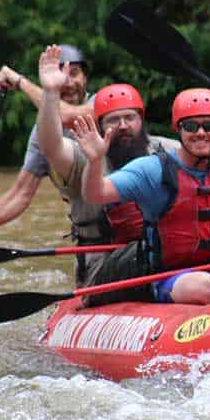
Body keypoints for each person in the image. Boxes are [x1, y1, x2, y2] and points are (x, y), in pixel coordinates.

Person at [76, 88, 210, 305]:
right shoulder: (153, 170)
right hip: (174, 278)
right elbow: (95, 194)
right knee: (204, 286)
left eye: (209, 125)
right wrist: (95, 160)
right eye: (191, 126)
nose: (201, 132)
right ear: (178, 128)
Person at [32, 45, 174, 288]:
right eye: (113, 120)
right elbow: (51, 145)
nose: (122, 125)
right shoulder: (82, 156)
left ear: (141, 120)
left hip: (163, 261)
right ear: (99, 126)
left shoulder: (167, 151)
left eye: (129, 118)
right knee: (154, 247)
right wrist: (50, 93)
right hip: (102, 269)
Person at [0, 45, 90, 244]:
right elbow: (21, 194)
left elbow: (67, 116)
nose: (67, 82)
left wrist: (19, 82)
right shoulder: (42, 132)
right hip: (88, 236)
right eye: (58, 74)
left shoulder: (103, 105)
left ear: (85, 78)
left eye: (74, 73)